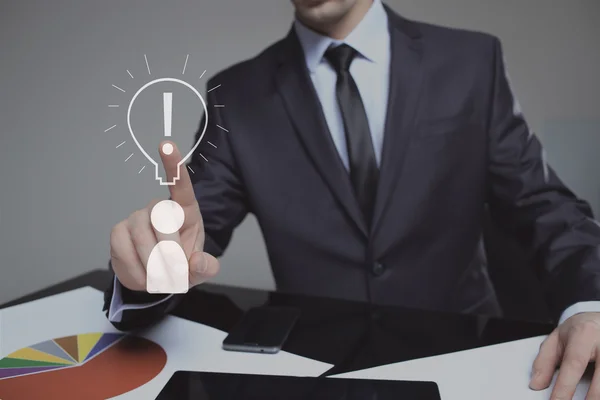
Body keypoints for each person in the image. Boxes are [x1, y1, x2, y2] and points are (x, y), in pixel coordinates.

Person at [105, 0, 600, 398]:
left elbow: (544, 204)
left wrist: (590, 302)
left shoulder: (471, 61)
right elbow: (188, 235)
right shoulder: (234, 95)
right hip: (319, 373)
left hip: (466, 359)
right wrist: (152, 265)